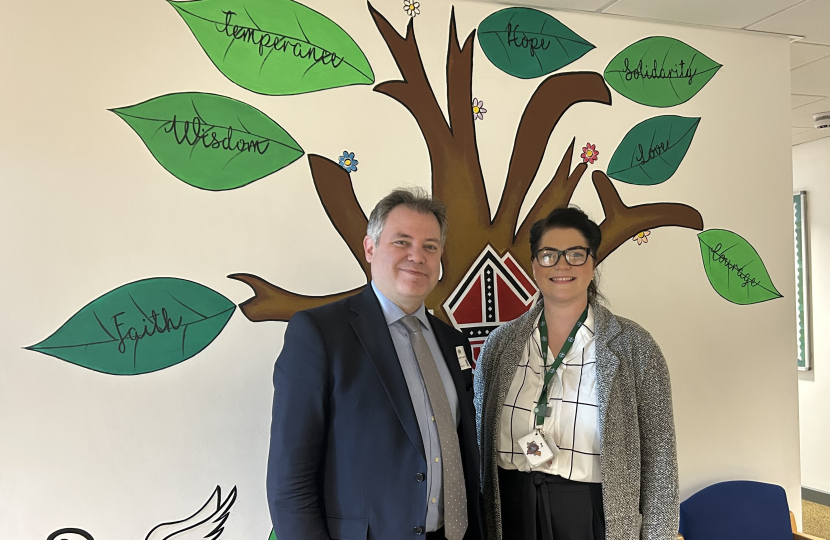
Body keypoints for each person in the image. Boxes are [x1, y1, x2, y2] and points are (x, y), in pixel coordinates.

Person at [267, 187, 485, 540]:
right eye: (402, 242)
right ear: (370, 247)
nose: (418, 256)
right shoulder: (320, 334)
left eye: (430, 246)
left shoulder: (453, 342)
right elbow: (289, 481)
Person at [474, 207, 679, 540]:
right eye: (548, 255)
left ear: (592, 263)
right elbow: (482, 442)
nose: (562, 265)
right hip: (511, 513)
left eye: (575, 254)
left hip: (592, 515)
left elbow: (660, 462)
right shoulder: (501, 344)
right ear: (534, 266)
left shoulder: (634, 347)